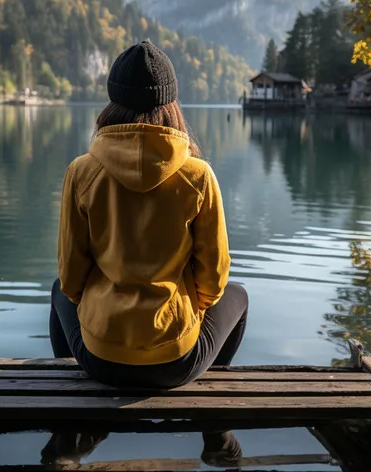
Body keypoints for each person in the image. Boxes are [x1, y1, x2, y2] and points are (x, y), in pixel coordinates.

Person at [48, 40, 248, 464]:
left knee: (56, 291)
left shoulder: (81, 171)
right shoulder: (198, 174)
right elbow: (214, 278)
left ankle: (70, 432)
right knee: (239, 296)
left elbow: (71, 277)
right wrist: (184, 311)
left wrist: (108, 315)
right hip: (175, 360)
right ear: (171, 102)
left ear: (112, 100)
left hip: (99, 358)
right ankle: (215, 433)